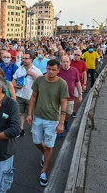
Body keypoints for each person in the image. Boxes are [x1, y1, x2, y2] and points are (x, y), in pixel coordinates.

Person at [26, 59, 69, 187]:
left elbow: (64, 104)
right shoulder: (39, 80)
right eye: (49, 69)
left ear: (58, 70)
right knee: (37, 141)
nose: (50, 72)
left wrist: (61, 123)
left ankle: (44, 172)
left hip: (52, 120)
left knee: (49, 146)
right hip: (38, 117)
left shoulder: (62, 84)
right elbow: (33, 97)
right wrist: (29, 113)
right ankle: (45, 155)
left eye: (54, 70)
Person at [11, 52, 43, 137]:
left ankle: (35, 129)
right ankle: (21, 129)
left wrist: (33, 74)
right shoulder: (19, 69)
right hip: (20, 95)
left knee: (32, 114)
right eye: (23, 58)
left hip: (30, 96)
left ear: (31, 60)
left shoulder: (36, 70)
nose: (23, 60)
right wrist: (15, 86)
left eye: (26, 58)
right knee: (20, 113)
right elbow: (14, 79)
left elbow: (41, 82)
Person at [57, 56, 83, 134]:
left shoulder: (74, 70)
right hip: (59, 97)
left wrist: (80, 94)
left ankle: (65, 123)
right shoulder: (58, 71)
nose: (65, 63)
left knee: (68, 112)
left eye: (67, 62)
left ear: (70, 62)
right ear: (61, 62)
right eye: (63, 62)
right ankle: (59, 129)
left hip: (70, 96)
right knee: (59, 113)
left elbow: (77, 83)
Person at [70, 49, 88, 118]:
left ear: (80, 56)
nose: (76, 56)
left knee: (76, 98)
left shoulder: (83, 63)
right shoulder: (70, 62)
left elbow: (84, 73)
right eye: (75, 55)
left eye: (78, 55)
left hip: (78, 83)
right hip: (70, 83)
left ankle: (73, 111)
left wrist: (84, 83)